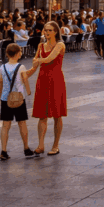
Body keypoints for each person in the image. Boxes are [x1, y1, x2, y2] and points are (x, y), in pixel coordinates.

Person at [29, 21, 67, 156]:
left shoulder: (60, 45)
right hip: (42, 80)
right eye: (45, 30)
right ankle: (40, 145)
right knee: (42, 114)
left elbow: (49, 59)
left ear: (56, 32)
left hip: (56, 80)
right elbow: (34, 65)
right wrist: (24, 75)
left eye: (50, 30)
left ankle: (55, 146)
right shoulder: (41, 46)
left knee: (57, 114)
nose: (47, 32)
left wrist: (38, 60)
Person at [0, 43, 34, 160]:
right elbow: (25, 79)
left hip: (5, 99)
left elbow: (0, 83)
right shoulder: (21, 67)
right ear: (18, 54)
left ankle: (3, 151)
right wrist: (28, 91)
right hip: (19, 98)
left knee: (5, 125)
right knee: (22, 123)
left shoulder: (2, 68)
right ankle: (26, 149)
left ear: (7, 54)